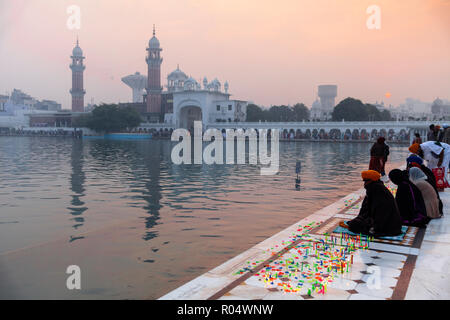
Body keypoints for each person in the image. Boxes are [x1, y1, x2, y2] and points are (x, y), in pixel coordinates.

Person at [340, 170, 402, 237]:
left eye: (366, 181)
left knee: (355, 225)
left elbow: (376, 212)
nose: (365, 184)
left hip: (385, 224)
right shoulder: (376, 187)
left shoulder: (375, 189)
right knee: (355, 223)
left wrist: (370, 224)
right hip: (392, 224)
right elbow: (366, 209)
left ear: (371, 181)